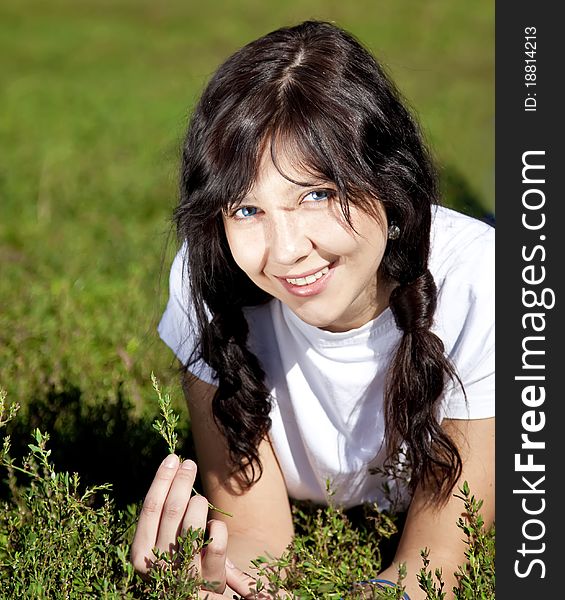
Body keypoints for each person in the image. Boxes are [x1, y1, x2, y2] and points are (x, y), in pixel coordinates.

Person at [130, 20, 494, 600]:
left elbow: (435, 564)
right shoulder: (210, 277)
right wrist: (225, 582)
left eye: (317, 195)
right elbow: (253, 531)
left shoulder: (484, 284)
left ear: (389, 182)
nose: (286, 251)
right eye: (247, 210)